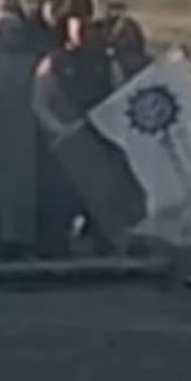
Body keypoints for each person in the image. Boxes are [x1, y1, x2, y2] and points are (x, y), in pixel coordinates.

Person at [31, 13, 144, 256]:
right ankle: (56, 245)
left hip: (97, 140)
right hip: (64, 142)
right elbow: (41, 99)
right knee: (62, 196)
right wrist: (58, 128)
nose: (84, 33)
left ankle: (102, 240)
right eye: (78, 27)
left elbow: (119, 97)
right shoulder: (54, 62)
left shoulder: (106, 64)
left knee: (100, 193)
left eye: (88, 29)